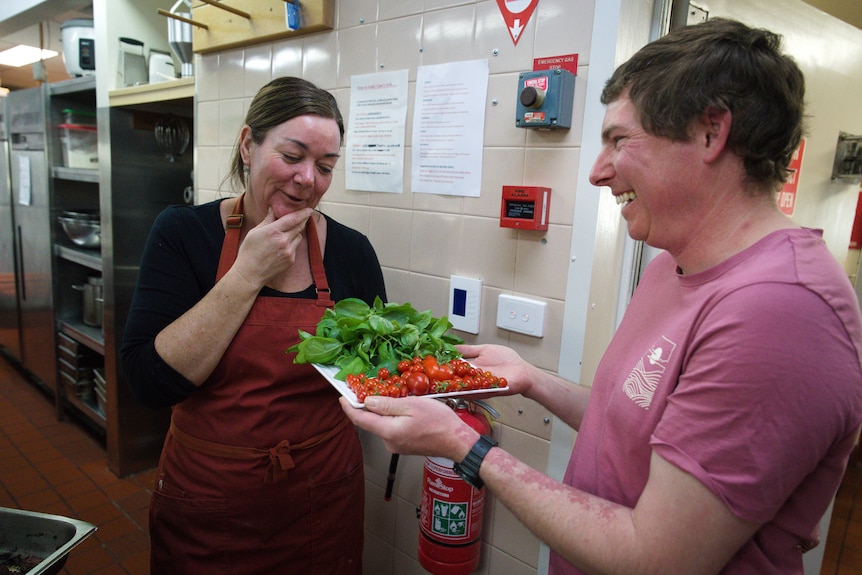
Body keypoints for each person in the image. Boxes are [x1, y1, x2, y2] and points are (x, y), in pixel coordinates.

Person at [342, 18, 862, 575]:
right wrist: (532, 379)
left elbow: (655, 557)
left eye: (619, 140)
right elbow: (634, 424)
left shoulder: (782, 313)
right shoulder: (670, 266)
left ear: (712, 133)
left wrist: (464, 449)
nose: (597, 172)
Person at [122, 76, 386, 574]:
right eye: (292, 156)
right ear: (249, 145)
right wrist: (246, 274)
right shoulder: (183, 234)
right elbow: (146, 382)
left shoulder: (352, 251)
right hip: (209, 504)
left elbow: (371, 376)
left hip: (322, 501)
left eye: (325, 166)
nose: (309, 179)